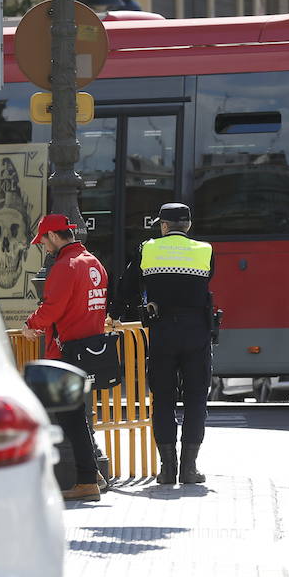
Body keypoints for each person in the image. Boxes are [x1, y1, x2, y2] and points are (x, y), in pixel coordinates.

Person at [116, 203, 215, 485]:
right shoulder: (205, 250)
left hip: (161, 332)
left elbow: (127, 286)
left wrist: (118, 312)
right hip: (197, 332)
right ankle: (189, 468)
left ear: (163, 226)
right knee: (196, 399)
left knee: (163, 399)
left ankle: (167, 469)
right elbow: (208, 281)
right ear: (188, 226)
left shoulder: (148, 249)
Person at [20, 214, 109, 502]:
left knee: (70, 417)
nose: (44, 247)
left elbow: (52, 308)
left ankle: (86, 481)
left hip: (66, 351)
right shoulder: (94, 263)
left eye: (44, 241)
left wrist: (31, 324)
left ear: (54, 237)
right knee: (77, 416)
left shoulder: (64, 267)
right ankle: (92, 472)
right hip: (91, 348)